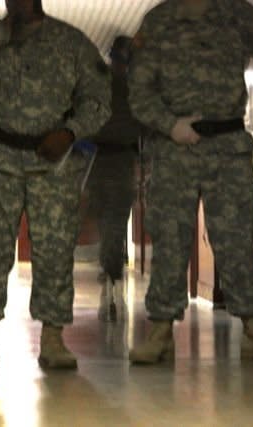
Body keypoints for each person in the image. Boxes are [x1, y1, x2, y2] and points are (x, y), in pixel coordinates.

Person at [0, 0, 111, 371]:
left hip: (51, 161)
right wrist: (1, 32)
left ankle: (53, 339)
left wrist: (70, 132)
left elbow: (99, 100)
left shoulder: (72, 43)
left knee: (54, 248)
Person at [127, 0, 253, 363]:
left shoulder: (236, 14)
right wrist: (170, 125)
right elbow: (139, 91)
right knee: (170, 238)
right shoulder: (158, 21)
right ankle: (160, 329)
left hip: (227, 144)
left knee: (237, 237)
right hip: (176, 145)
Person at [85, 36, 141, 320]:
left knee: (111, 225)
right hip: (112, 163)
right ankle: (111, 274)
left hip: (105, 163)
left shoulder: (102, 87)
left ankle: (111, 275)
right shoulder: (133, 89)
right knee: (112, 225)